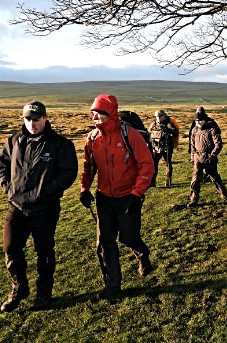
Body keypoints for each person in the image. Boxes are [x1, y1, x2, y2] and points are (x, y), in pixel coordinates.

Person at [0, 101, 78, 312]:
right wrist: (8, 188)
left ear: (45, 118)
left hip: (45, 208)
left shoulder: (59, 144)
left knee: (44, 250)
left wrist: (46, 192)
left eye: (36, 119)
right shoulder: (14, 141)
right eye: (28, 119)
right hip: (17, 205)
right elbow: (1, 165)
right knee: (11, 248)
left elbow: (68, 173)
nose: (32, 123)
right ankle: (19, 289)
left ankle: (44, 293)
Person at [79, 95, 155, 300]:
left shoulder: (129, 135)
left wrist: (136, 193)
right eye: (93, 112)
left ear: (110, 113)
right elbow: (89, 166)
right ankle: (112, 285)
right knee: (105, 242)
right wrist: (84, 188)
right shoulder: (93, 138)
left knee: (128, 237)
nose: (94, 116)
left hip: (128, 196)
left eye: (99, 113)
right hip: (104, 197)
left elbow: (147, 164)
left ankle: (142, 255)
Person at [188, 109, 227, 207]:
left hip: (209, 157)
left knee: (214, 177)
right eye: (197, 121)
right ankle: (194, 199)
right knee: (195, 179)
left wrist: (213, 155)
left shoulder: (212, 129)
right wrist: (193, 157)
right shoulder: (194, 130)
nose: (199, 123)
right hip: (198, 157)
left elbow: (218, 144)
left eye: (200, 121)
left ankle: (223, 192)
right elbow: (192, 145)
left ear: (205, 120)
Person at [148, 109, 179, 187]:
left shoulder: (169, 124)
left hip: (166, 147)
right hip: (156, 148)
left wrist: (168, 130)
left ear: (164, 116)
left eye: (160, 116)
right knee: (154, 164)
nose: (158, 118)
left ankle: (168, 181)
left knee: (168, 164)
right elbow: (149, 133)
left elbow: (175, 132)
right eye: (157, 117)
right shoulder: (153, 124)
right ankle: (152, 181)